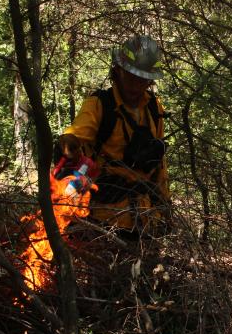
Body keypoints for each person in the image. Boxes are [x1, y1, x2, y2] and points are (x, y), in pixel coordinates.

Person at [58, 34, 169, 235]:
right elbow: (77, 134)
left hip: (145, 222)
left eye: (143, 79)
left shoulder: (154, 107)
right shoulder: (100, 104)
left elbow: (160, 165)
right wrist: (69, 143)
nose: (136, 85)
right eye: (132, 77)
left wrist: (164, 209)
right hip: (103, 222)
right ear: (118, 71)